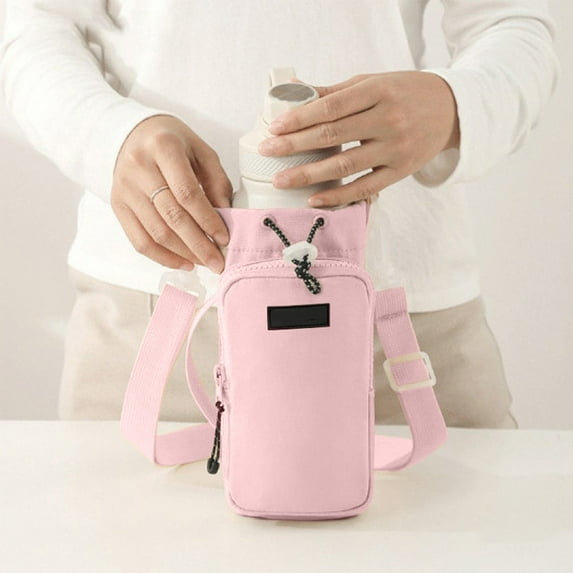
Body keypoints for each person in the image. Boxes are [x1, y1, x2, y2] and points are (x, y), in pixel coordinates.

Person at [0, 1, 558, 426]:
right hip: (158, 320)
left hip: (403, 327)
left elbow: (513, 21)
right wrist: (107, 138)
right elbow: (33, 22)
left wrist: (454, 104)